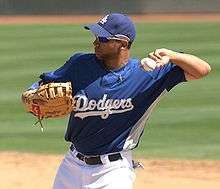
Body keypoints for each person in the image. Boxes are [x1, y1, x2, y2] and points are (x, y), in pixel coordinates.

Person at [29, 13, 211, 189]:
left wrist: (172, 55)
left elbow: (202, 69)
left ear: (122, 43)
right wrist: (31, 92)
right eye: (96, 36)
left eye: (102, 39)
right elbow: (43, 83)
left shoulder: (148, 75)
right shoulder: (79, 64)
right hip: (71, 165)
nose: (95, 42)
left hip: (113, 171)